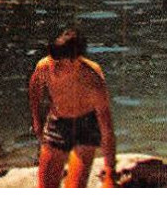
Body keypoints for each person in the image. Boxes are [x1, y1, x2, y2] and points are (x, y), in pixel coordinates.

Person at [28, 28, 117, 188]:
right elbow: (35, 90)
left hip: (86, 127)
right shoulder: (44, 66)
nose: (54, 67)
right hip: (57, 123)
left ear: (76, 61)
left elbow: (106, 127)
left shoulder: (92, 81)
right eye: (53, 59)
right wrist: (37, 120)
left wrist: (110, 172)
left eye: (60, 63)